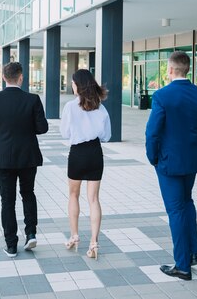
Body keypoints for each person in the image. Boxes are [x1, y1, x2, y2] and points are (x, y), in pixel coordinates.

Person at [145, 51, 197, 280]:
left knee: (176, 211)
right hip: (191, 160)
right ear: (188, 70)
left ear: (170, 70)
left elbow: (152, 131)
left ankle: (183, 265)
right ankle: (192, 253)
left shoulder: (162, 95)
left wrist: (152, 157)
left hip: (169, 163)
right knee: (187, 203)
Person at [0, 62, 49, 257]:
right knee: (28, 193)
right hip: (28, 156)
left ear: (3, 78)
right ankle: (31, 233)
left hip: (3, 157)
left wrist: (0, 136)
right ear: (21, 78)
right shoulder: (32, 99)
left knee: (7, 200)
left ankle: (11, 244)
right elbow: (42, 128)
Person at [60, 69, 111, 260]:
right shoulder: (101, 107)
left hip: (78, 153)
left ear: (78, 85)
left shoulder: (70, 107)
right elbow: (107, 136)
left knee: (74, 195)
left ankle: (74, 236)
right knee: (94, 199)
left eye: (73, 83)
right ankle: (94, 242)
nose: (72, 86)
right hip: (95, 153)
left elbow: (65, 133)